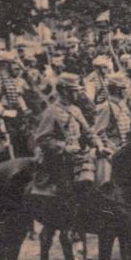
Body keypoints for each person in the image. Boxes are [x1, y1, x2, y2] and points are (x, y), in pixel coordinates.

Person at [34, 72, 101, 201]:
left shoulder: (75, 109)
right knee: (68, 193)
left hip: (78, 155)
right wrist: (64, 147)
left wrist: (97, 143)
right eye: (74, 91)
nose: (78, 94)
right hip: (59, 158)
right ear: (64, 91)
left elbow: (87, 131)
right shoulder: (51, 112)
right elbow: (42, 139)